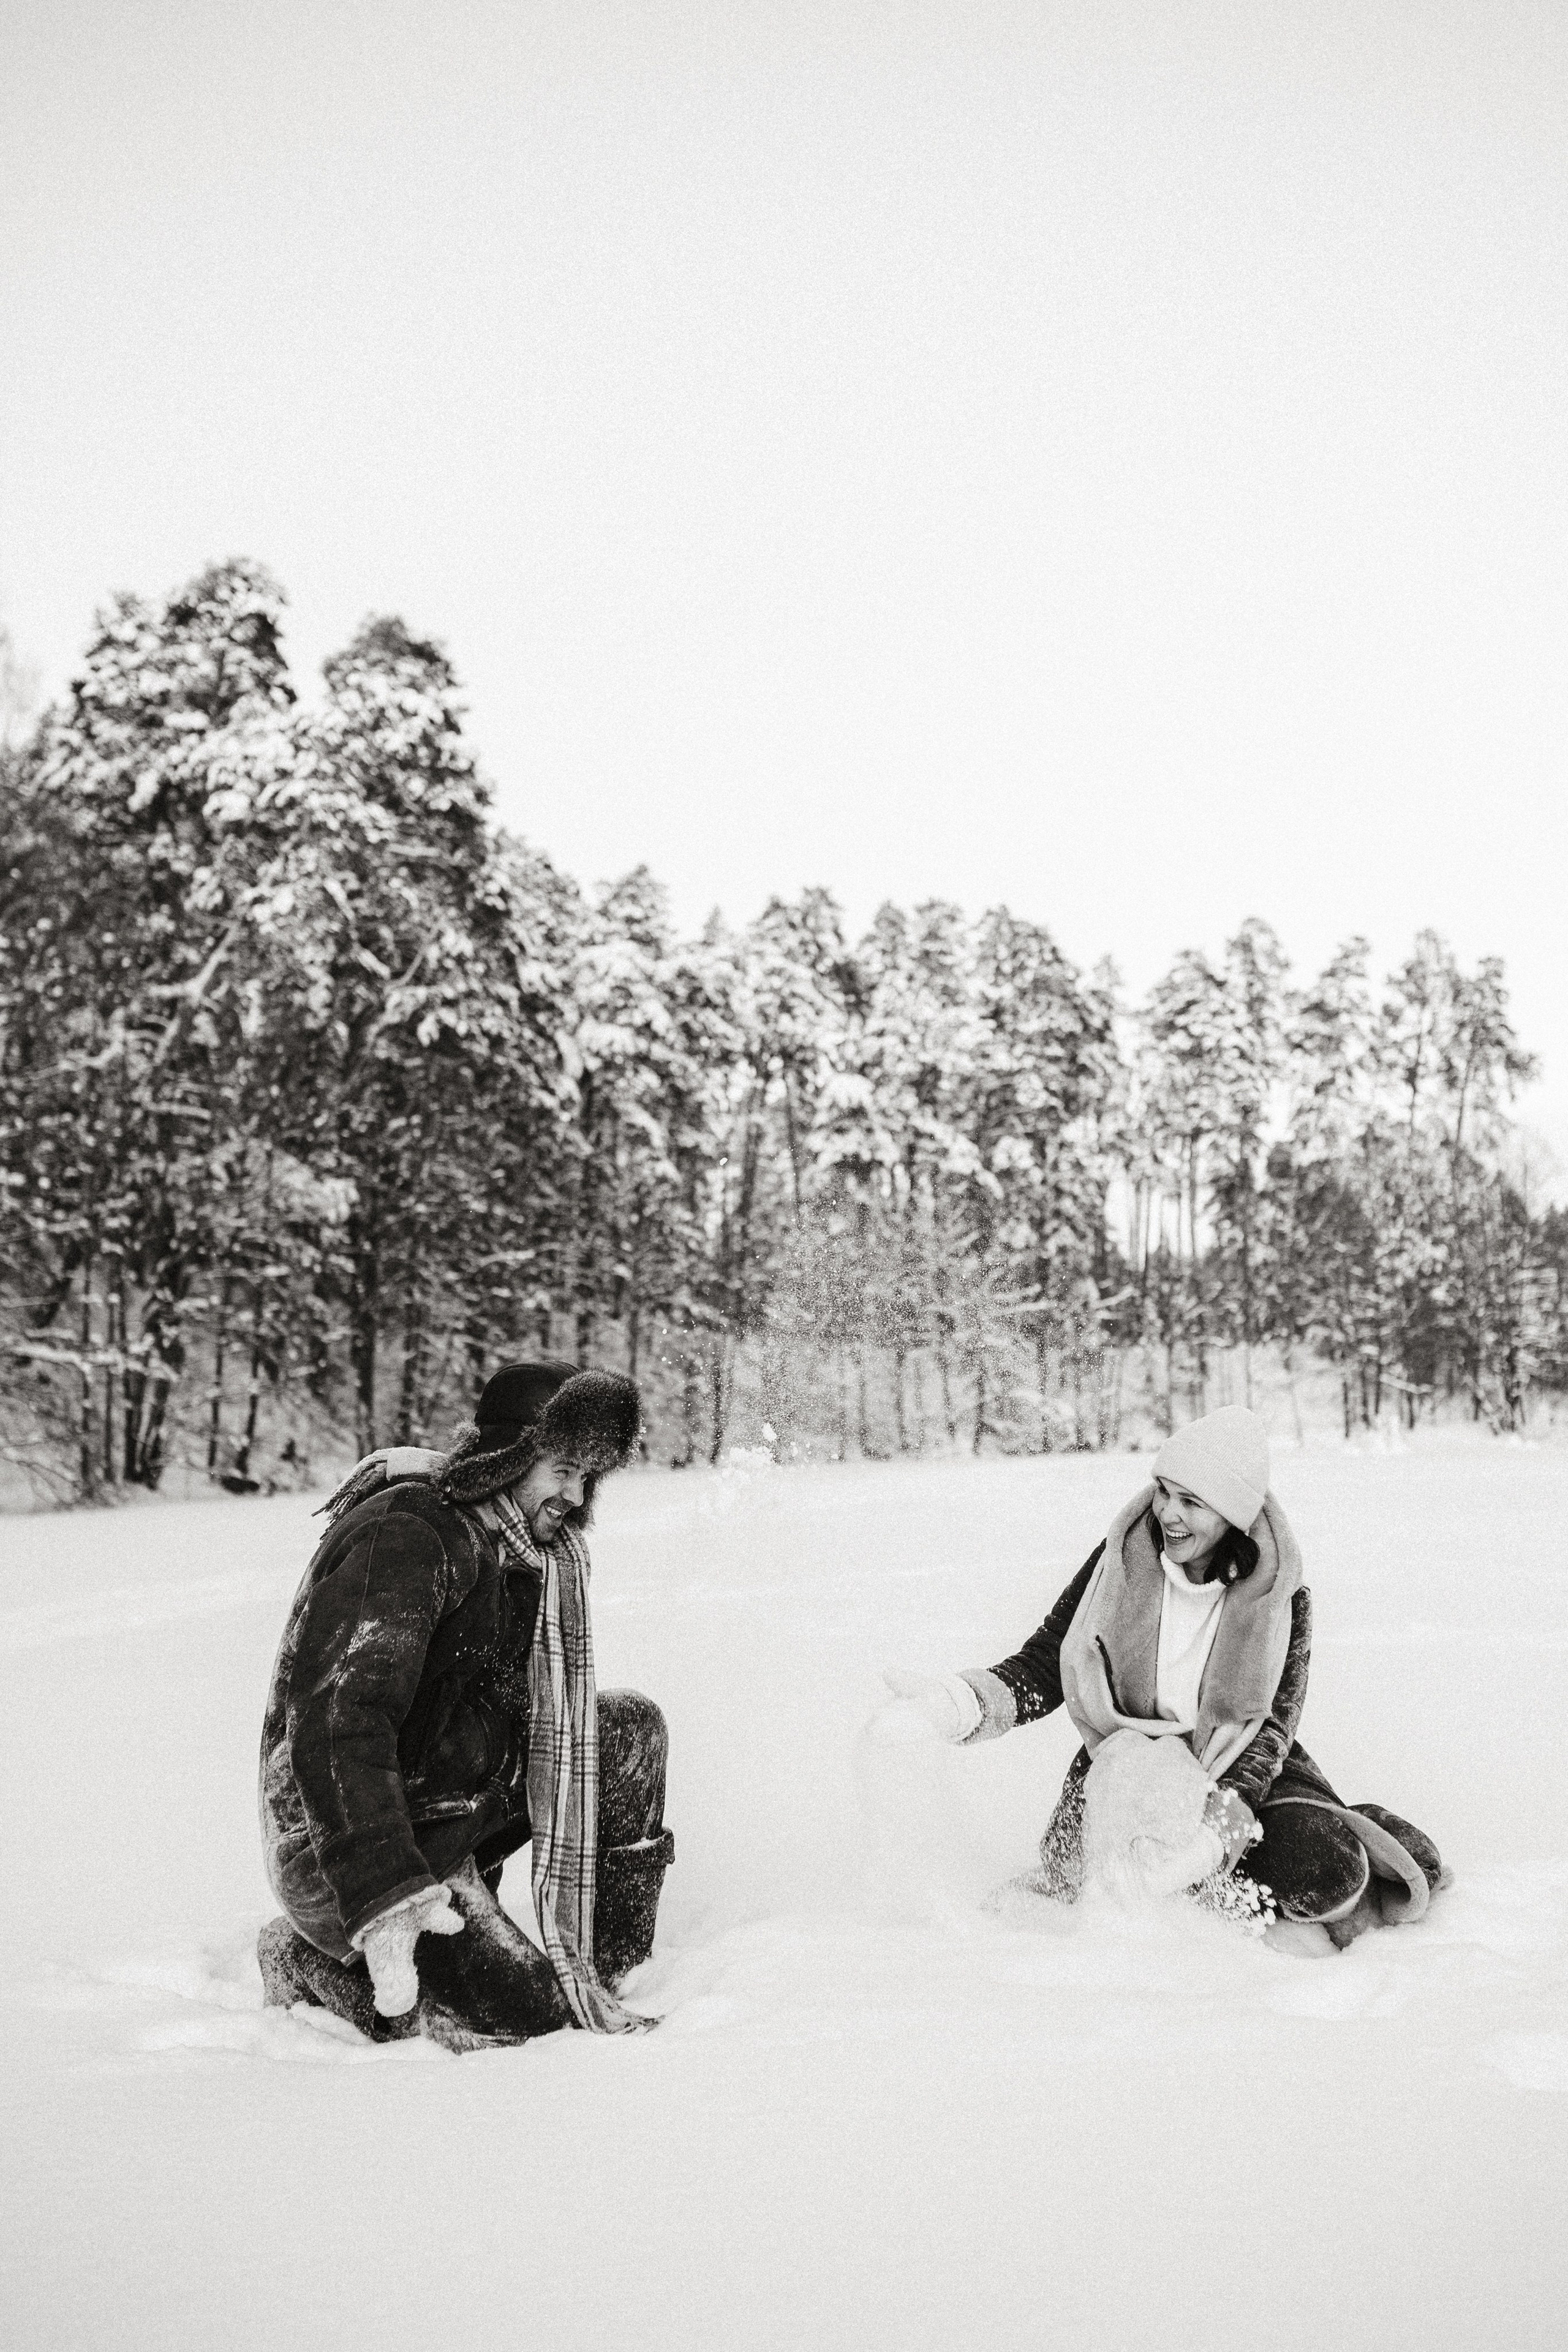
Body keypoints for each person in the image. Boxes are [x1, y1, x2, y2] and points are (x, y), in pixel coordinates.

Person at [886, 1406, 1444, 1945]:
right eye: (1164, 1492)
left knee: (1328, 1873)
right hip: (1128, 1766)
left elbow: (1271, 1730)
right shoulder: (1120, 1562)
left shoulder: (1280, 1596)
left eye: (1192, 1503)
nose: (1168, 1515)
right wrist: (959, 1705)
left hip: (1239, 1771)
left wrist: (1211, 1840)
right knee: (1070, 1880)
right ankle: (1225, 1903)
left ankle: (1305, 1861)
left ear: (1232, 1514)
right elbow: (1045, 1663)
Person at [256, 1359, 674, 2049]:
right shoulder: (409, 1535)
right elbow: (340, 1719)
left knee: (626, 1730)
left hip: (446, 1801)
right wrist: (384, 1889)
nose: (574, 1494)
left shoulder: (524, 1552)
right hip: (345, 1841)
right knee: (532, 2027)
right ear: (507, 1457)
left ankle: (606, 1971)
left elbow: (492, 1708)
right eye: (562, 1467)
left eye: (587, 1475)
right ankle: (310, 1963)